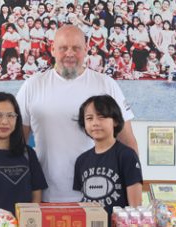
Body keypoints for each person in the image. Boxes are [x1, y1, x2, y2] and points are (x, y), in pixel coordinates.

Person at [16, 25, 138, 203]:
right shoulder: (32, 86)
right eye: (63, 48)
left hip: (100, 198)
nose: (70, 54)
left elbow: (128, 142)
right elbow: (17, 144)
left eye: (76, 48)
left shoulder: (106, 84)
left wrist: (134, 201)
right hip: (45, 195)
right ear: (52, 49)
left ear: (86, 49)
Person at [73, 95, 143, 217]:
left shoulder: (127, 156)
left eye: (102, 117)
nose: (95, 123)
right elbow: (82, 199)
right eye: (89, 118)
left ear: (115, 121)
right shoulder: (81, 160)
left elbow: (135, 207)